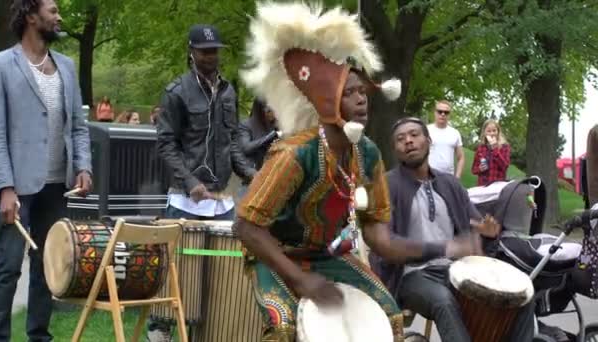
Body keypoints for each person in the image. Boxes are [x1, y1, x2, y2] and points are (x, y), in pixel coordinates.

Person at [234, 3, 482, 341]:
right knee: (285, 327)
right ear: (326, 101)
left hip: (327, 255)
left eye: (362, 92)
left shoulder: (367, 154)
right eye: (349, 93)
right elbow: (246, 228)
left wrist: (445, 248)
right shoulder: (294, 154)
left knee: (390, 317)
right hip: (275, 256)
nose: (361, 100)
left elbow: (380, 239)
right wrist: (300, 278)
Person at [371, 117, 535, 342]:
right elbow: (388, 244)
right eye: (400, 139)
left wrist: (485, 231)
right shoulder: (387, 185)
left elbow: (475, 224)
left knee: (521, 295)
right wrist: (447, 247)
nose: (408, 141)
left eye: (414, 135)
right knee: (443, 301)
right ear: (395, 149)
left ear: (429, 142)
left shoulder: (450, 184)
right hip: (410, 274)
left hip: (455, 270)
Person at [0, 0, 93, 340]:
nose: (59, 16)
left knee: (46, 266)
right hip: (18, 186)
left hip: (57, 186)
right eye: (53, 10)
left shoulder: (66, 65)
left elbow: (78, 126)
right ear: (32, 17)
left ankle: (39, 336)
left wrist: (83, 166)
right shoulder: (0, 66)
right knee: (7, 267)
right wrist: (4, 187)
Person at [149, 23, 256, 341]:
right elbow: (166, 145)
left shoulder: (229, 91)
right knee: (175, 287)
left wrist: (253, 175)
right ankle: (161, 334)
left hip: (223, 203)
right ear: (191, 53)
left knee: (221, 288)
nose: (211, 57)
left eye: (215, 51)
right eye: (205, 51)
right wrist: (190, 181)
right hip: (186, 201)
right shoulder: (176, 92)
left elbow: (233, 142)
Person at [236, 98, 281, 171]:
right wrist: (272, 135)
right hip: (254, 173)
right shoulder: (246, 125)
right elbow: (246, 148)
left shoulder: (275, 124)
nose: (274, 114)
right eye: (270, 110)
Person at [427, 100, 465, 178]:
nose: (443, 114)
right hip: (427, 175)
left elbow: (461, 157)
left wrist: (457, 177)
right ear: (435, 112)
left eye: (446, 112)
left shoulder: (455, 133)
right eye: (440, 111)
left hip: (448, 178)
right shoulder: (426, 130)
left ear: (449, 115)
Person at [471, 119, 511, 186]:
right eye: (489, 131)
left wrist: (495, 148)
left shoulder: (505, 147)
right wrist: (479, 168)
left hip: (498, 186)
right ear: (484, 133)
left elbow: (505, 166)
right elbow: (473, 170)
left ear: (498, 131)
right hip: (483, 186)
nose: (492, 133)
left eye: (494, 130)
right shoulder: (481, 148)